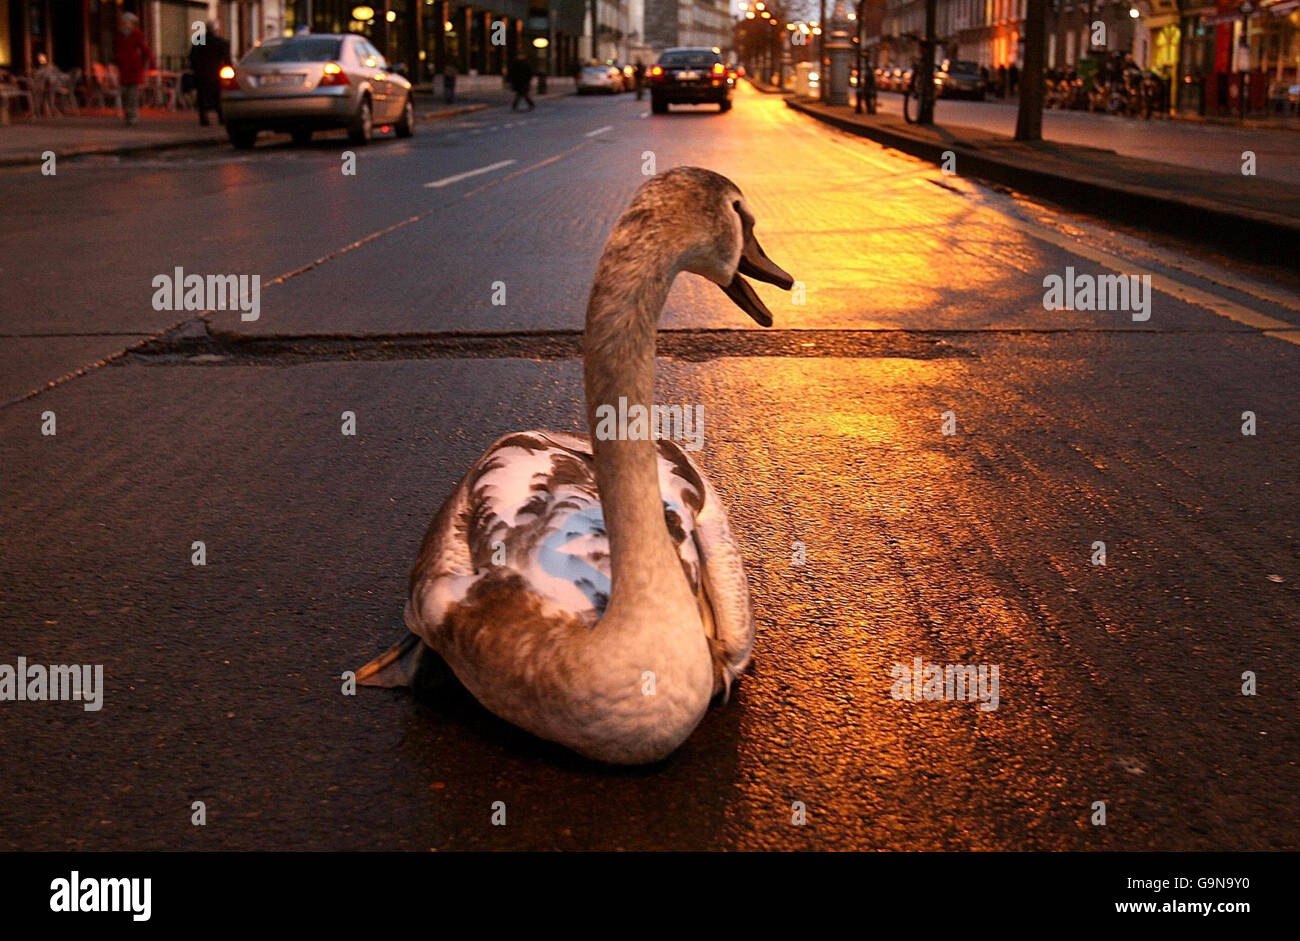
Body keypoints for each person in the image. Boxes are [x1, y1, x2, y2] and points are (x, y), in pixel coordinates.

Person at [114, 12, 155, 126]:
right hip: (124, 68)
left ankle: (132, 115)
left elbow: (145, 50)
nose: (125, 25)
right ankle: (128, 113)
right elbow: (117, 49)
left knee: (132, 94)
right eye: (124, 23)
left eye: (127, 22)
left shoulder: (137, 34)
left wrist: (148, 63)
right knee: (124, 94)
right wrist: (118, 60)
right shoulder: (120, 36)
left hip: (134, 68)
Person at [189, 21, 230, 126]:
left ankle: (203, 118)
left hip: (201, 73)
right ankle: (221, 118)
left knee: (202, 97)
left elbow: (192, 57)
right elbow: (226, 59)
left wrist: (195, 68)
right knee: (217, 96)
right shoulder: (220, 42)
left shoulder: (199, 40)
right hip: (215, 72)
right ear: (216, 30)